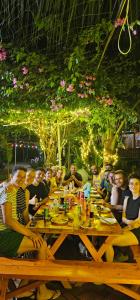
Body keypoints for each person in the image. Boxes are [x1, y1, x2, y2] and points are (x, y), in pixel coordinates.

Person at [0, 166, 61, 299]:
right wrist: (30, 233)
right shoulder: (7, 189)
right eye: (19, 176)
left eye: (24, 176)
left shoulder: (14, 190)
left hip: (9, 233)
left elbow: (20, 215)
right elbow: (8, 220)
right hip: (4, 236)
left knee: (41, 243)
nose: (22, 179)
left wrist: (30, 231)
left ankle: (25, 288)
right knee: (41, 245)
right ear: (11, 176)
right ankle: (42, 289)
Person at [105, 174, 140, 263]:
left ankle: (108, 268)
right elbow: (123, 218)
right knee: (106, 237)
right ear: (129, 185)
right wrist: (127, 223)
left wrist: (127, 227)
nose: (134, 186)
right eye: (131, 183)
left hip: (136, 231)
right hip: (126, 226)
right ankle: (115, 259)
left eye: (137, 184)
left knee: (108, 242)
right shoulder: (127, 199)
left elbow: (138, 222)